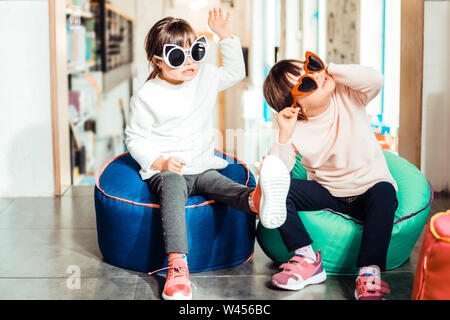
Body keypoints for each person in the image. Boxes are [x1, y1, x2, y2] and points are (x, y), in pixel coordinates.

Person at [125, 9, 290, 300]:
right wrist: (161, 162)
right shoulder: (147, 95)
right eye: (177, 56)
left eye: (195, 51)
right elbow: (135, 138)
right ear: (157, 61)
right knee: (174, 186)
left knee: (219, 183)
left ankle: (256, 200)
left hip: (201, 164)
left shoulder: (205, 78)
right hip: (168, 171)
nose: (189, 62)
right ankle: (177, 266)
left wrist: (224, 36)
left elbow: (236, 73)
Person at [262, 51, 398, 300]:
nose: (314, 75)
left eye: (310, 68)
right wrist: (284, 135)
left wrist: (329, 69)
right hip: (329, 193)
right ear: (297, 106)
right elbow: (276, 173)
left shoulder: (348, 95)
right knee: (277, 188)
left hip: (369, 188)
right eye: (306, 82)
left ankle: (368, 272)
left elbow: (375, 79)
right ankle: (306, 257)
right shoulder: (296, 127)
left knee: (385, 192)